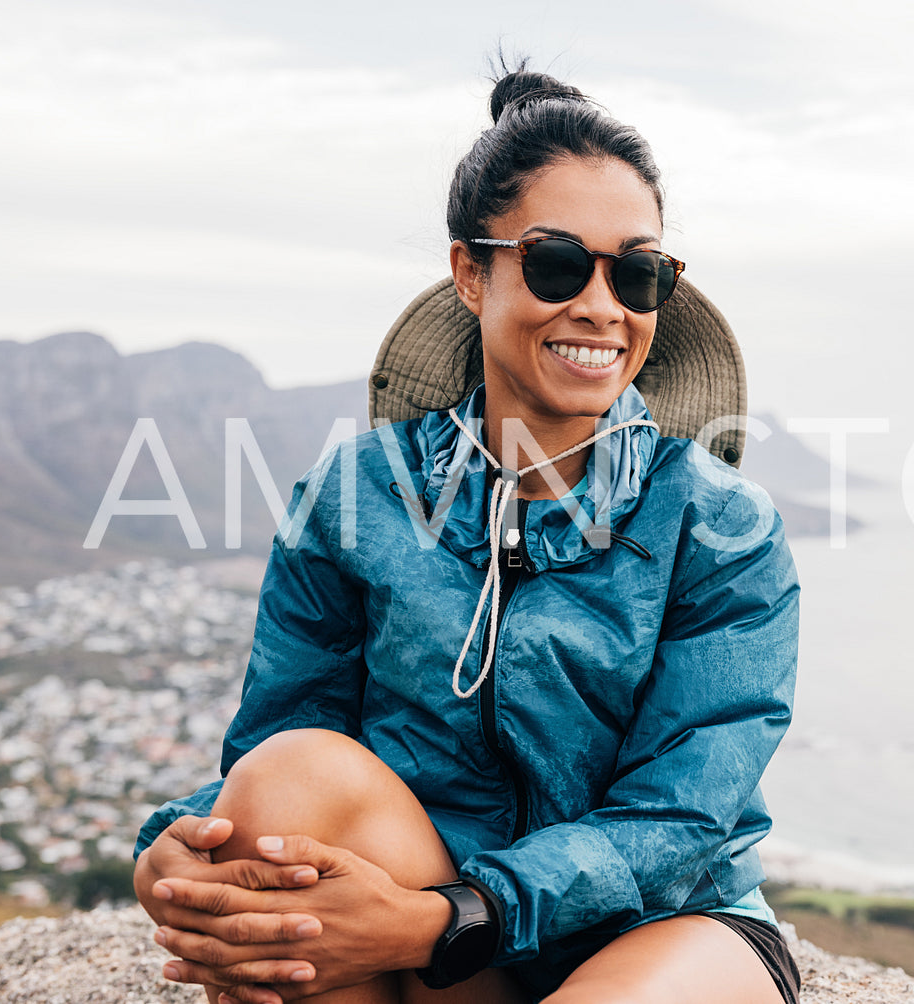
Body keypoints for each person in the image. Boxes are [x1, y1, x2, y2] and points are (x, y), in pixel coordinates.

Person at [131, 65, 801, 1004]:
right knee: (286, 778)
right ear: (469, 271)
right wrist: (176, 845)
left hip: (662, 925)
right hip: (433, 919)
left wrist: (455, 918)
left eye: (638, 272)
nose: (602, 306)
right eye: (557, 262)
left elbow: (678, 817)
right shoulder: (357, 492)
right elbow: (287, 737)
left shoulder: (720, 524)